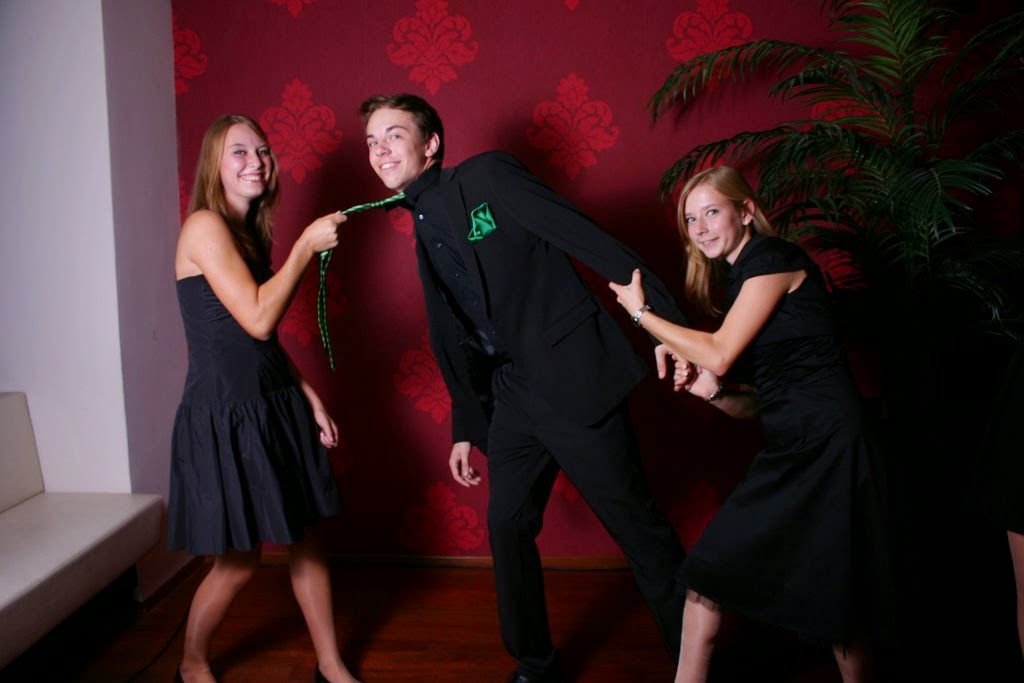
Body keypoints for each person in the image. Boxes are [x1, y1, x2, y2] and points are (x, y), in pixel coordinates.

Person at [358, 93, 687, 683]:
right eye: (372, 141)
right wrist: (467, 424)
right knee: (508, 526)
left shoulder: (486, 177)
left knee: (639, 531)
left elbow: (585, 236)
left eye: (394, 135)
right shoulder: (422, 224)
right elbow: (457, 332)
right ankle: (537, 664)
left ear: (431, 144)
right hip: (513, 391)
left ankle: (698, 661)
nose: (381, 150)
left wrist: (665, 325)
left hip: (572, 377)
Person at [608, 166, 895, 682]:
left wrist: (640, 313)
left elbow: (719, 352)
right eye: (690, 219)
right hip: (796, 445)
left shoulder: (774, 259)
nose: (700, 229)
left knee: (834, 601)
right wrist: (713, 393)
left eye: (711, 212)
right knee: (731, 580)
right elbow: (762, 404)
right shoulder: (744, 279)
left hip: (830, 447)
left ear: (745, 211)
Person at [168, 114, 359, 683]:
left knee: (307, 539)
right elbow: (257, 319)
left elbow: (260, 342)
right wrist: (304, 247)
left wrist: (308, 395)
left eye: (263, 150)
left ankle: (330, 665)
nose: (256, 161)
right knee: (237, 562)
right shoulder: (204, 226)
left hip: (272, 401)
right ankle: (191, 664)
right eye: (239, 151)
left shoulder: (247, 234)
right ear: (214, 165)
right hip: (226, 412)